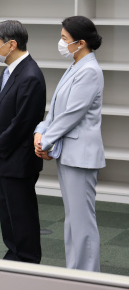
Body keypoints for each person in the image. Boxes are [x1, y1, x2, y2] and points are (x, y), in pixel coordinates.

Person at [34, 16, 104, 272]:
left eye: (64, 38)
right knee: (73, 220)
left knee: (82, 221)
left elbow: (73, 114)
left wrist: (46, 142)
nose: (61, 43)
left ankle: (87, 280)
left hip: (80, 156)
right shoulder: (76, 65)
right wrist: (40, 131)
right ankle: (75, 275)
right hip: (70, 155)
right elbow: (56, 110)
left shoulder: (90, 71)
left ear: (80, 42)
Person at [0, 20, 46, 263]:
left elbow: (23, 122)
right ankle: (14, 255)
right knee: (8, 213)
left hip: (18, 159)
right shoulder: (9, 70)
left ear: (12, 44)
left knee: (21, 214)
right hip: (4, 156)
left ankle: (27, 260)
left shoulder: (30, 75)